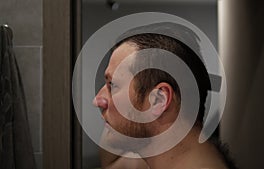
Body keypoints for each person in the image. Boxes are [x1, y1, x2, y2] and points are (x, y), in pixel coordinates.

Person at [93, 23, 237, 169]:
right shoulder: (161, 156)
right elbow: (110, 164)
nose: (97, 100)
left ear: (158, 100)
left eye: (113, 85)